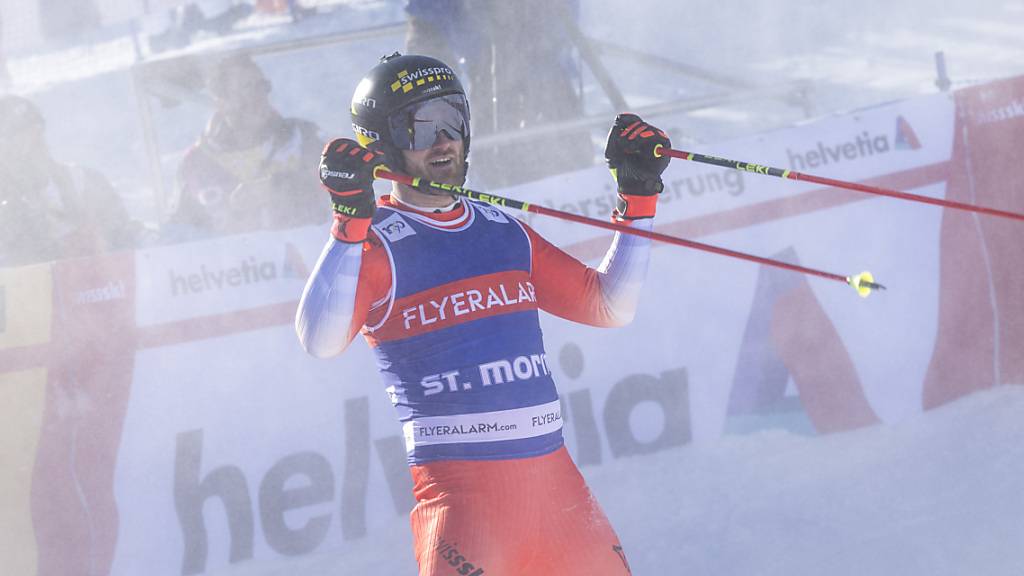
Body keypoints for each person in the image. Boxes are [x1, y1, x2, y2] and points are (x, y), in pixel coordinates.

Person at [295, 53, 670, 575]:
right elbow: (320, 340)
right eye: (419, 127)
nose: (443, 140)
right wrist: (348, 221)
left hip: (561, 503)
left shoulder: (502, 229)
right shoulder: (375, 242)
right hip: (467, 514)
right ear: (380, 147)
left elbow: (609, 306)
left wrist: (638, 197)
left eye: (453, 119)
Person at [166, 52, 325, 241]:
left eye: (262, 87)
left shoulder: (303, 138)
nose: (258, 98)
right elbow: (179, 234)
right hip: (237, 266)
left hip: (313, 259)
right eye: (246, 90)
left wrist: (279, 187)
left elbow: (349, 183)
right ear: (221, 102)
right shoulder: (197, 163)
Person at [0, 95, 141, 267]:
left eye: (36, 134)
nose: (31, 145)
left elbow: (125, 241)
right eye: (17, 139)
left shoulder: (83, 181)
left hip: (103, 287)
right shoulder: (6, 203)